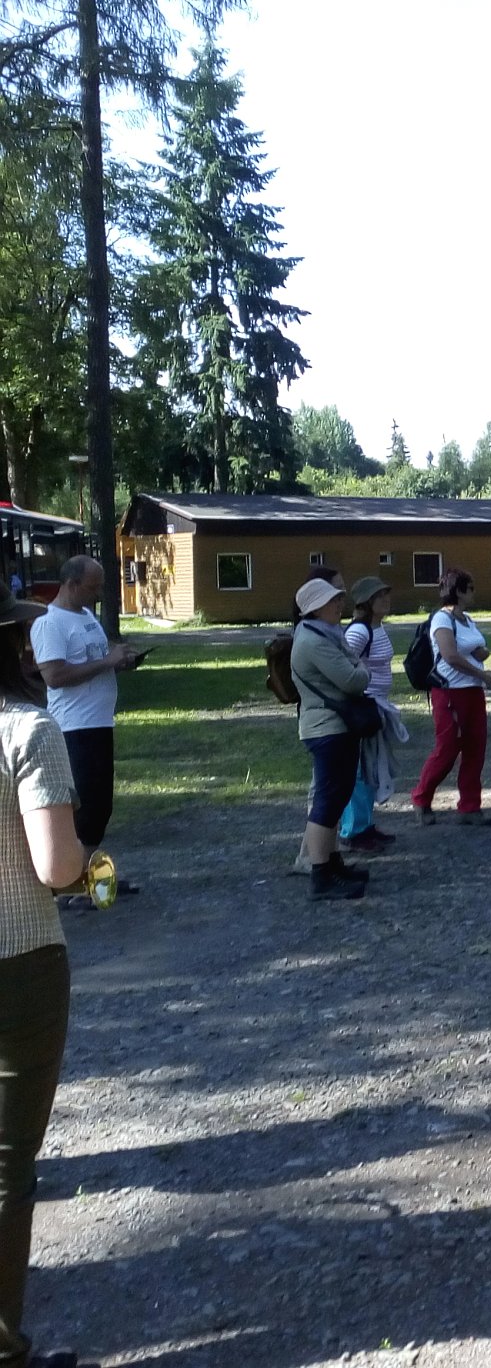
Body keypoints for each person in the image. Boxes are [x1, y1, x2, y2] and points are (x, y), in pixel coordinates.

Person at [0, 583, 88, 1364]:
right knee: (5, 1166)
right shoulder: (28, 730)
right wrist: (88, 858)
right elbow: (57, 867)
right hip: (17, 961)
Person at [30, 556, 137, 868]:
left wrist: (118, 661)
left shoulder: (87, 615)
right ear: (71, 584)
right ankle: (73, 881)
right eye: (93, 587)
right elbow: (54, 676)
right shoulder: (49, 623)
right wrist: (107, 662)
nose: (98, 593)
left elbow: (94, 660)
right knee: (86, 806)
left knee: (100, 806)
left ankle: (88, 877)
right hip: (74, 728)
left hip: (99, 723)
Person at [288, 577, 375, 899]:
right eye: (332, 600)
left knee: (336, 799)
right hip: (327, 729)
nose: (340, 604)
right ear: (315, 608)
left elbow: (352, 668)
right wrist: (362, 668)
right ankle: (321, 876)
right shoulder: (315, 641)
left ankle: (332, 863)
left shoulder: (325, 634)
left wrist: (358, 666)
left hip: (336, 727)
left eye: (339, 598)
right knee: (327, 802)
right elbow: (354, 679)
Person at [412, 568, 491, 826]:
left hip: (472, 691)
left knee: (475, 749)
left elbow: (475, 648)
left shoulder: (467, 619)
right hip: (449, 692)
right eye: (471, 588)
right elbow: (450, 656)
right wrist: (483, 674)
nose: (474, 592)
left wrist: (482, 653)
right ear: (458, 591)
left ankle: (470, 806)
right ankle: (421, 798)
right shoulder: (442, 619)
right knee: (447, 748)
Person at [339, 578, 406, 856]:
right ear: (366, 602)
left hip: (375, 706)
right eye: (379, 596)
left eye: (386, 594)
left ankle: (365, 826)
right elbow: (343, 666)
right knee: (359, 771)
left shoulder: (377, 628)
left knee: (370, 769)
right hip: (362, 708)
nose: (386, 600)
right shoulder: (359, 631)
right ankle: (353, 831)